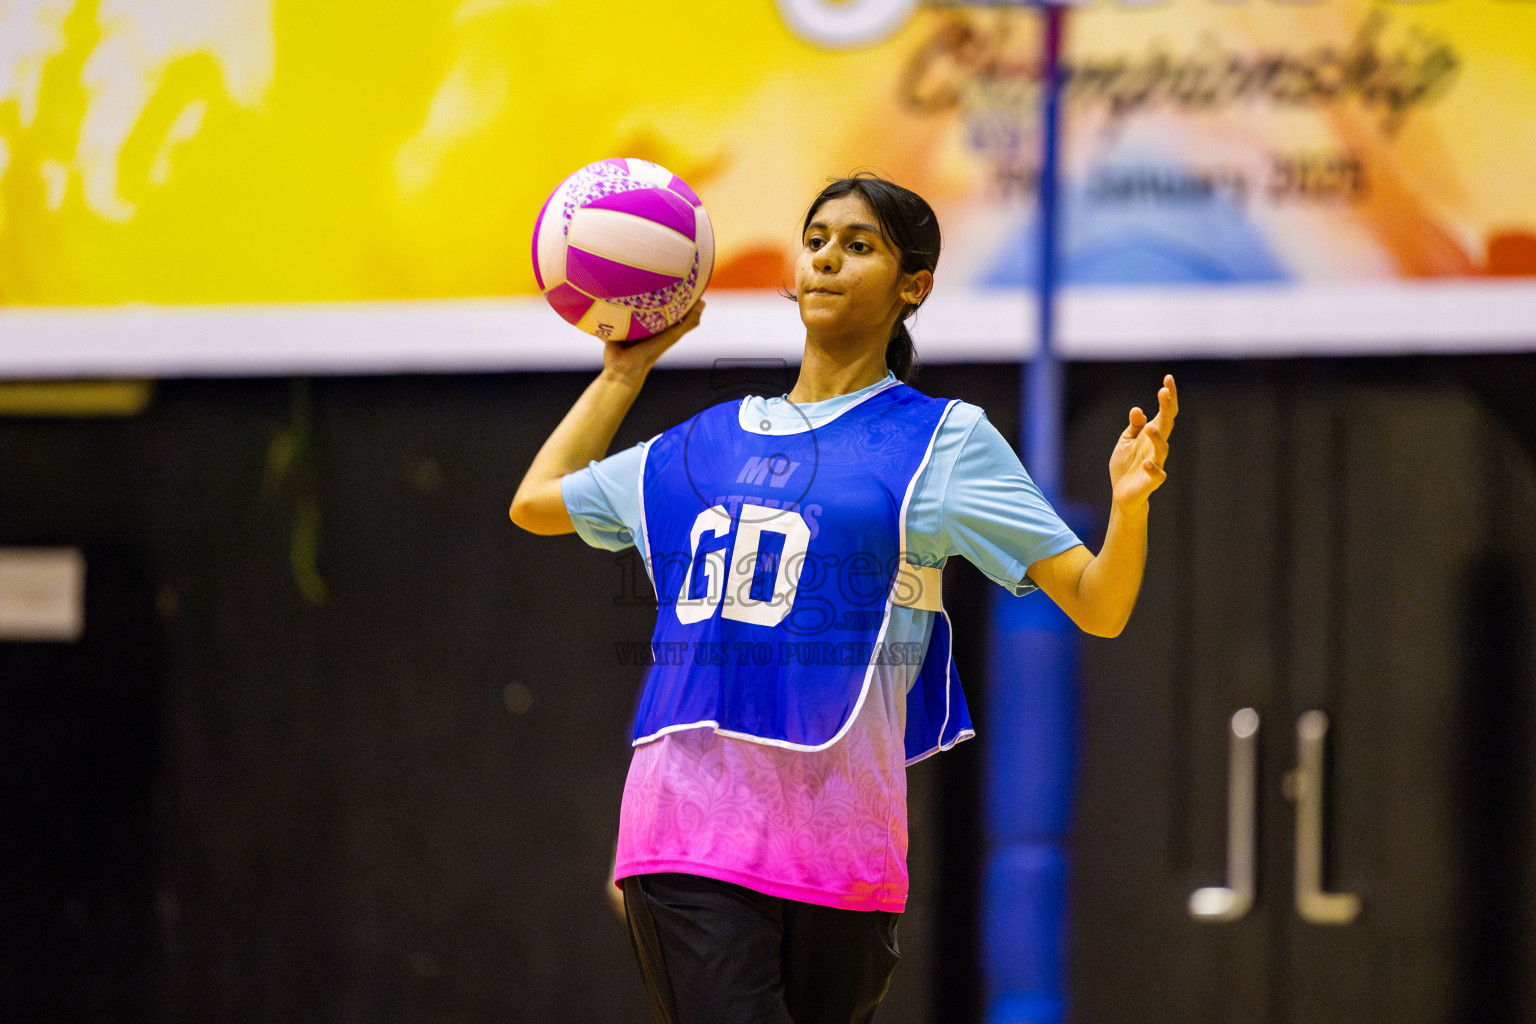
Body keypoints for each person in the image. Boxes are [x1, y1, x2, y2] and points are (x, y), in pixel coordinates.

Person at [510, 173, 1177, 1024]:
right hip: (688, 840)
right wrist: (626, 370)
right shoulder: (708, 440)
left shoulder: (944, 439)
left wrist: (1127, 507)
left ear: (913, 288)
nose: (826, 258)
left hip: (846, 857)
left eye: (857, 245)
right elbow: (537, 500)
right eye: (816, 240)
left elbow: (1099, 604)